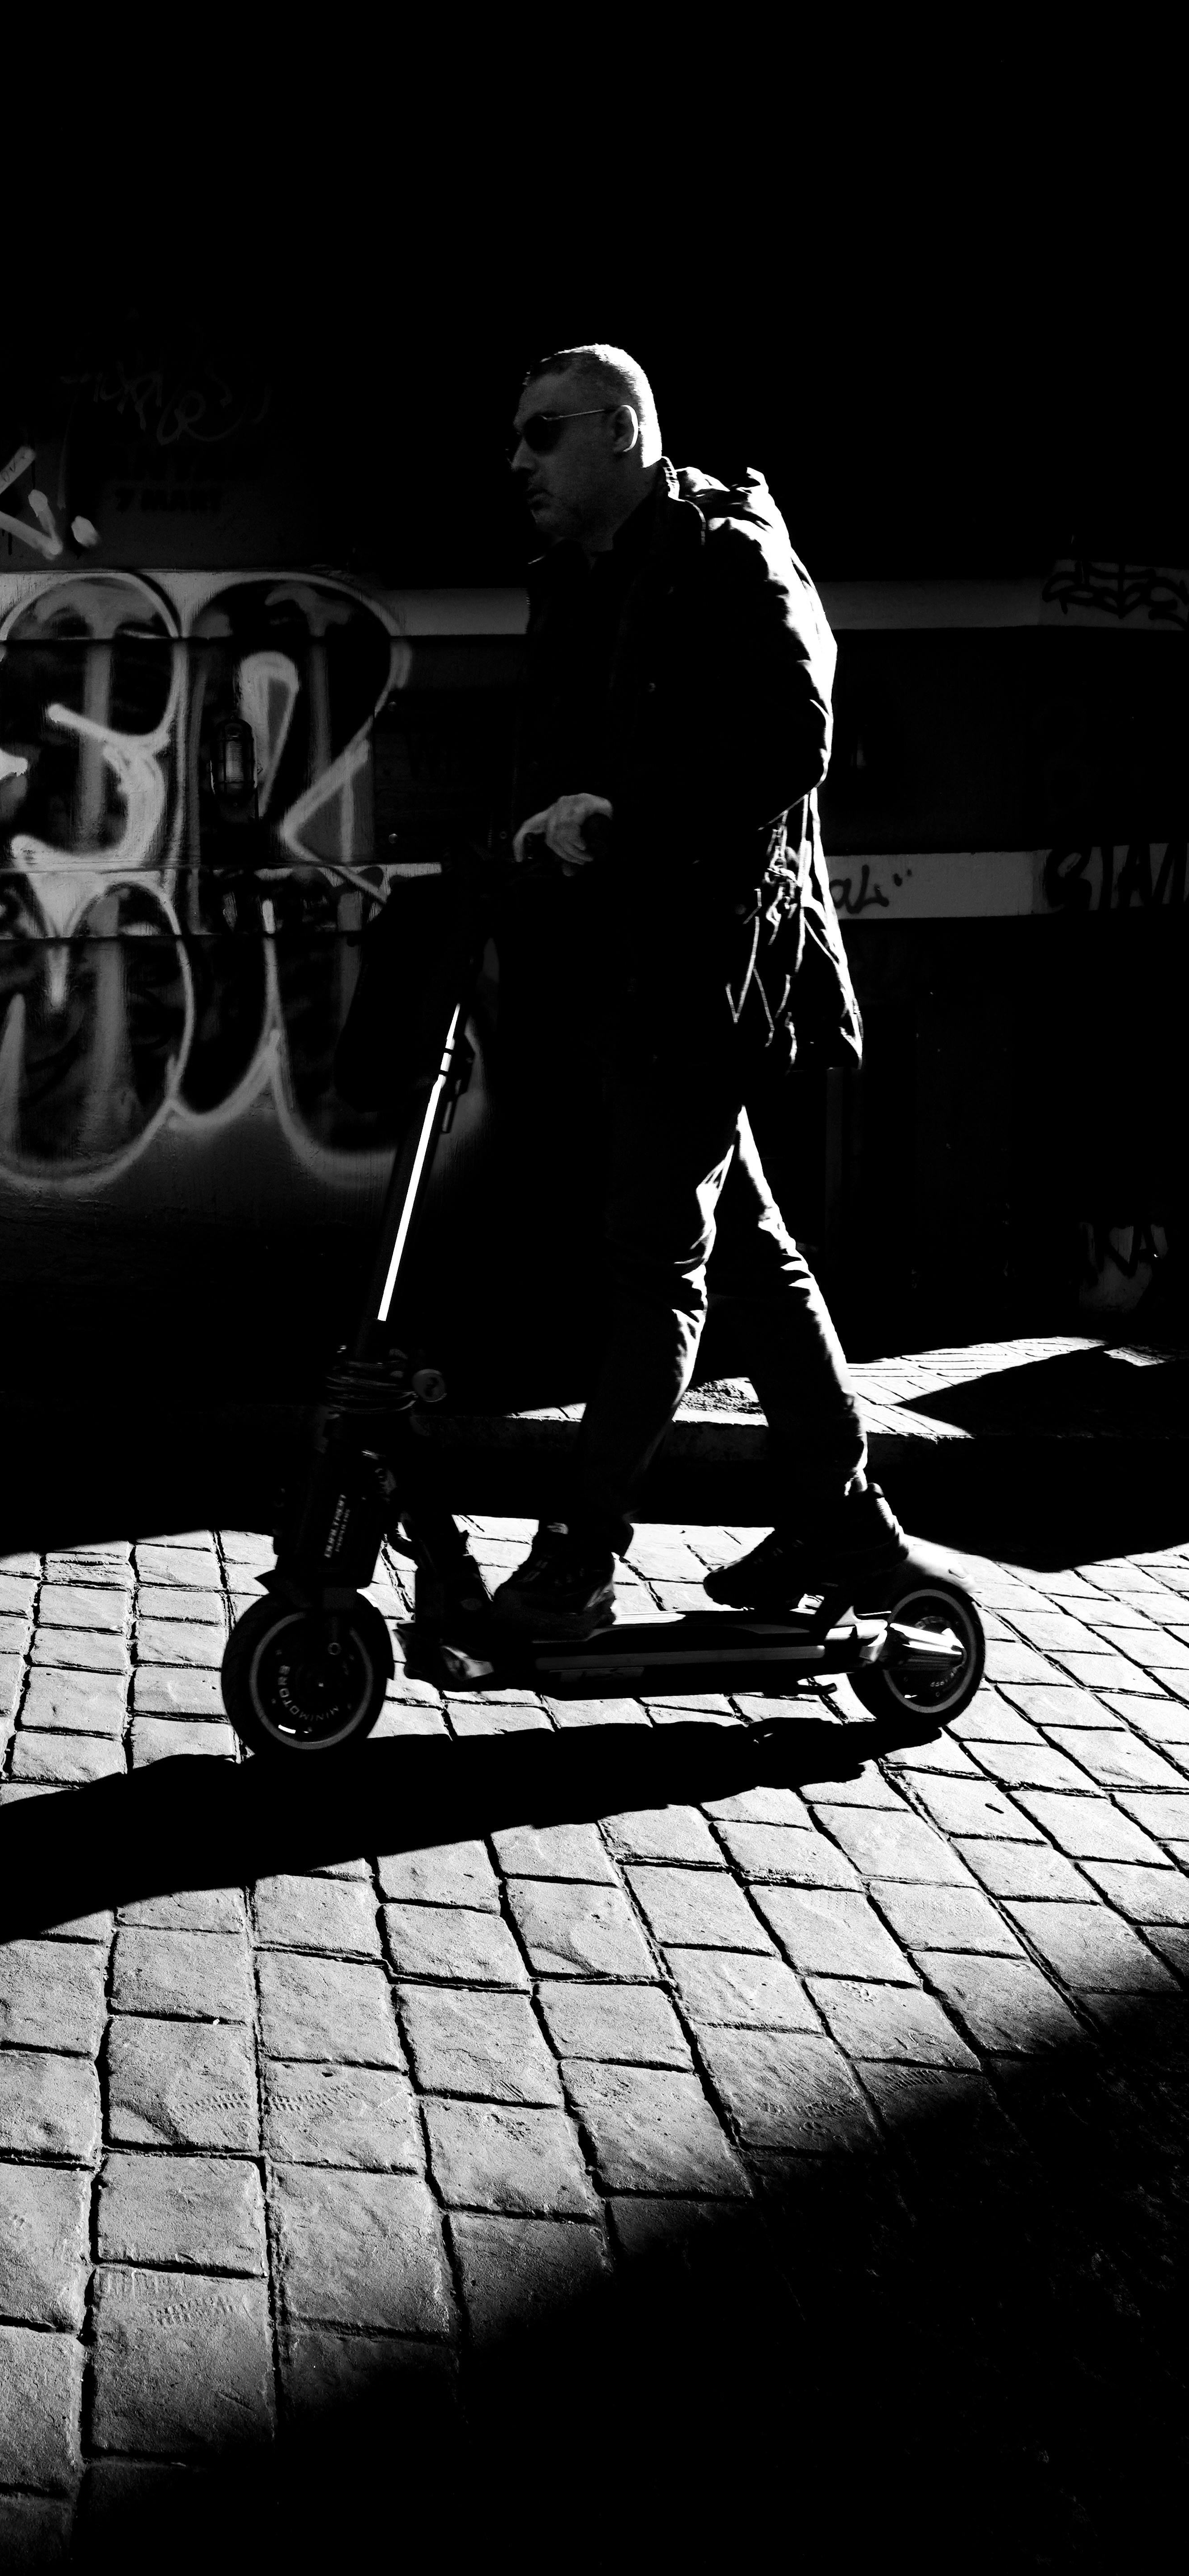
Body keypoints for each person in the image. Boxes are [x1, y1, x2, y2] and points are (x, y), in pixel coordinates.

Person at [449, 341, 906, 1658]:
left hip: (706, 968)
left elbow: (790, 742)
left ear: (622, 433)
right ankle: (847, 1522)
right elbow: (567, 757)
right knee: (749, 1250)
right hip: (632, 961)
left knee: (657, 1259)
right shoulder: (578, 579)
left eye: (542, 435)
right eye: (516, 438)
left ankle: (581, 1556)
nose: (517, 462)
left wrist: (623, 822)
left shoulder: (723, 550)